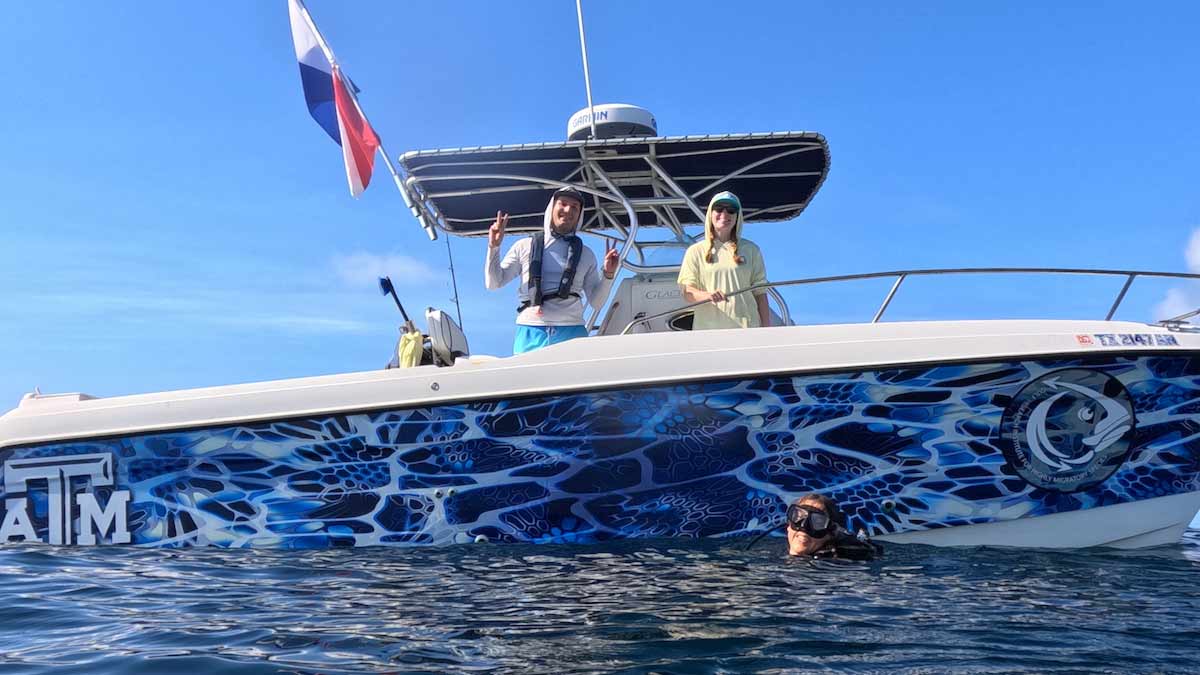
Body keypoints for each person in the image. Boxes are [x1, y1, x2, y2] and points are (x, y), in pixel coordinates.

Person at [485, 187, 619, 354]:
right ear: (551, 208)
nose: (568, 210)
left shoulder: (587, 254)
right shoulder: (523, 246)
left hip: (573, 331)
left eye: (575, 207)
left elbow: (596, 303)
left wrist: (608, 275)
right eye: (563, 204)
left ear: (579, 215)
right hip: (530, 331)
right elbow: (493, 283)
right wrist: (494, 247)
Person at [677, 191, 771, 330]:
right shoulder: (695, 251)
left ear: (737, 217)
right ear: (710, 213)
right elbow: (687, 292)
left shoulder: (751, 250)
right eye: (719, 209)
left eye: (731, 210)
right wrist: (708, 295)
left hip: (748, 329)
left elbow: (760, 293)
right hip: (708, 332)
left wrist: (767, 329)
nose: (725, 214)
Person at [786, 493, 881, 561]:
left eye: (817, 522)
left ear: (831, 533)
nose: (804, 527)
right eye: (798, 517)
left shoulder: (832, 563)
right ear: (788, 525)